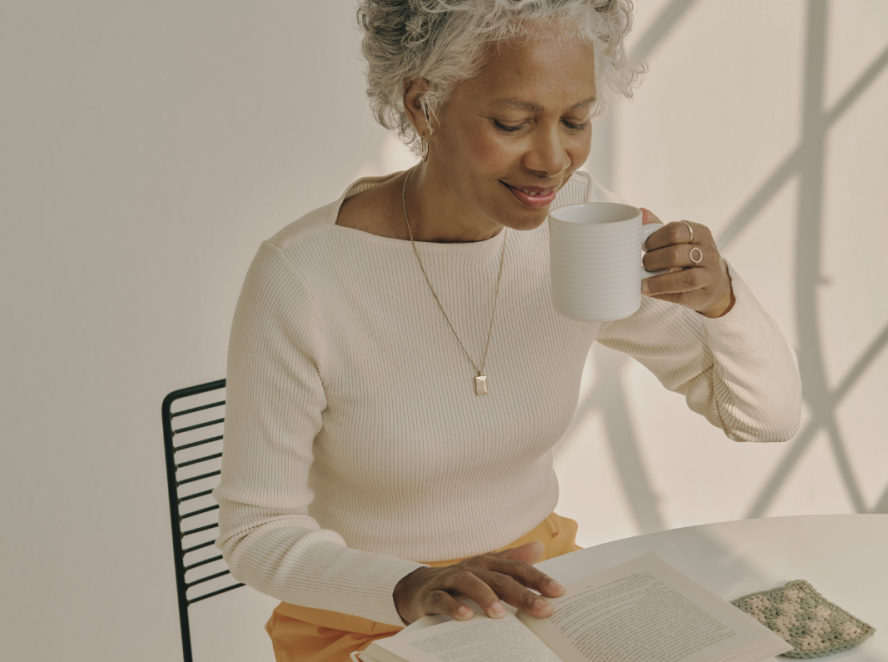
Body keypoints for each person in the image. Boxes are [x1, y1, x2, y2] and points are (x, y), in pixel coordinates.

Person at [214, 1, 803, 660]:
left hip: (539, 594)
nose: (554, 160)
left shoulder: (583, 229)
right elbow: (256, 530)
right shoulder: (304, 277)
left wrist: (722, 302)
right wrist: (409, 585)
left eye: (576, 120)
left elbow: (766, 419)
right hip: (368, 617)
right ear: (423, 105)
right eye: (513, 122)